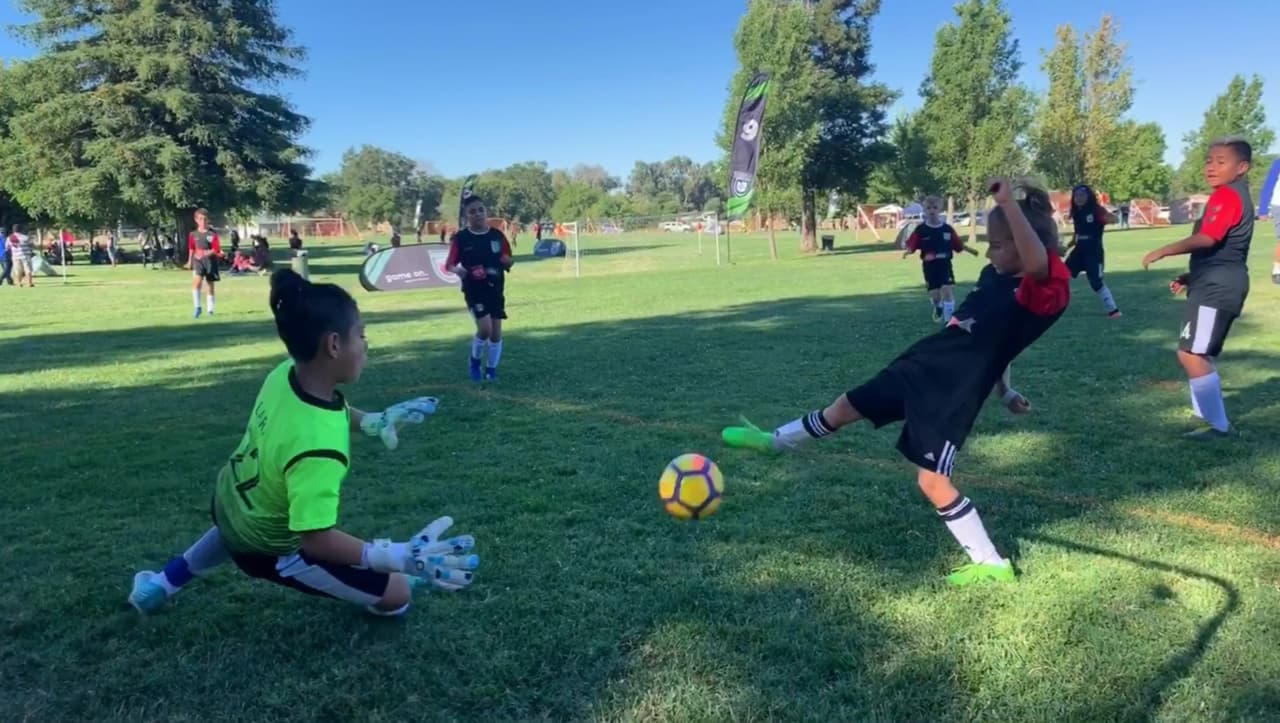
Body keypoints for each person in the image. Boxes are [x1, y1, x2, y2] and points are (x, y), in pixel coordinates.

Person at [721, 179, 1069, 586]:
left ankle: (991, 563)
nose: (990, 253)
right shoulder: (995, 275)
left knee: (932, 481)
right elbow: (997, 345)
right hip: (922, 364)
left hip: (950, 389)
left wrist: (1008, 204)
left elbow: (1035, 267)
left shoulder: (1047, 289)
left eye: (998, 244)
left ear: (1025, 242)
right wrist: (1006, 390)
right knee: (845, 406)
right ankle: (775, 441)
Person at [127, 269, 478, 616]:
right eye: (361, 334)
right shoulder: (320, 450)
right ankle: (386, 586)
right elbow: (316, 540)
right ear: (334, 344)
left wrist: (373, 422)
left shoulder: (285, 374)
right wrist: (394, 556)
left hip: (229, 503)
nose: (366, 344)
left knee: (246, 522)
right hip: (268, 551)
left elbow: (329, 411)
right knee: (399, 593)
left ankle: (160, 584)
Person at [1142, 137, 1254, 439]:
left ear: (1241, 167)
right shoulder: (1231, 195)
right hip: (1214, 281)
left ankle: (1218, 426)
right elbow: (1225, 249)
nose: (1211, 167)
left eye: (1221, 161)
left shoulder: (1228, 195)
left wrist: (1163, 250)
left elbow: (1209, 239)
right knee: (1197, 351)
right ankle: (1205, 414)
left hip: (1218, 286)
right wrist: (1191, 277)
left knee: (1191, 353)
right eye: (1209, 160)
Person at [446, 194, 514, 382]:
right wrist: (460, 271)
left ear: (486, 212)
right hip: (474, 291)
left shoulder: (497, 236)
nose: (478, 214)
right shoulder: (461, 238)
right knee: (484, 329)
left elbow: (508, 259)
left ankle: (491, 370)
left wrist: (508, 261)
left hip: (495, 289)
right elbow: (449, 264)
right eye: (472, 212)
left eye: (481, 210)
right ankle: (475, 361)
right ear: (467, 215)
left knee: (496, 333)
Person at [901, 196, 977, 322]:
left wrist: (970, 250)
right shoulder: (921, 230)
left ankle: (949, 322)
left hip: (945, 265)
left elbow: (958, 245)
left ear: (940, 209)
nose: (932, 211)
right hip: (929, 267)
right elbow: (912, 245)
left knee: (947, 290)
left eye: (935, 208)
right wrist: (908, 251)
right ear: (924, 210)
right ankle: (938, 307)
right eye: (928, 208)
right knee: (935, 296)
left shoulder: (947, 229)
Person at [1063, 184, 1121, 319]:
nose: (1079, 198)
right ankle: (1056, 304)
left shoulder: (1096, 210)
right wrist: (1070, 244)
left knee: (1096, 282)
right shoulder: (1077, 212)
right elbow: (1077, 232)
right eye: (1076, 195)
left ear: (1088, 196)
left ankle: (1113, 310)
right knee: (1063, 274)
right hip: (1079, 251)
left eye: (1082, 195)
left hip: (1093, 251)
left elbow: (1113, 219)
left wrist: (1110, 217)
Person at [187, 209, 222, 318]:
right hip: (198, 261)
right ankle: (197, 307)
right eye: (200, 219)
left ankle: (210, 310)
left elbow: (216, 249)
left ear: (208, 220)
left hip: (210, 262)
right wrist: (189, 261)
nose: (203, 221)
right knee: (196, 283)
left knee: (210, 285)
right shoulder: (193, 234)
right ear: (196, 220)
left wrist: (207, 253)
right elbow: (191, 248)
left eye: (205, 219)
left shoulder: (212, 234)